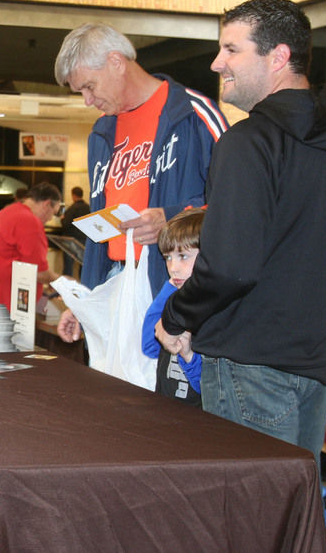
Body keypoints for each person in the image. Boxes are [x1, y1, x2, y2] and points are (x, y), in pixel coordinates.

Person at [156, 0, 326, 469]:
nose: (217, 63)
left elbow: (230, 265)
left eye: (231, 50)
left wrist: (175, 316)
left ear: (278, 57)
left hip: (250, 364)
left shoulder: (249, 143)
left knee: (245, 516)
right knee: (288, 514)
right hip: (321, 365)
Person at [53, 22, 228, 343]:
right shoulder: (101, 135)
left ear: (117, 62)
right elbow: (100, 232)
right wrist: (86, 303)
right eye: (81, 92)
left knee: (162, 393)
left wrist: (172, 218)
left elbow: (235, 205)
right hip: (116, 282)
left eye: (89, 87)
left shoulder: (193, 114)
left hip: (172, 285)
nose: (87, 101)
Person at [0, 181, 61, 311]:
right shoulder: (30, 221)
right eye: (53, 213)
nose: (50, 219)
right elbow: (38, 272)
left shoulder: (7, 212)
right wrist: (62, 281)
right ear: (47, 204)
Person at [142, 207, 203, 407]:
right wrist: (170, 286)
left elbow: (206, 387)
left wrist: (189, 356)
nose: (173, 267)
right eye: (168, 257)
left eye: (183, 257)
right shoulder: (173, 300)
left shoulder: (213, 313)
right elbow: (149, 345)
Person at [60, 186, 90, 277]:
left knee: (69, 266)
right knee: (83, 265)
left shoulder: (72, 208)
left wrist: (62, 219)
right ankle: (83, 286)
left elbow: (65, 223)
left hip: (71, 240)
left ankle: (67, 287)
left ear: (73, 195)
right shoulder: (88, 207)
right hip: (84, 240)